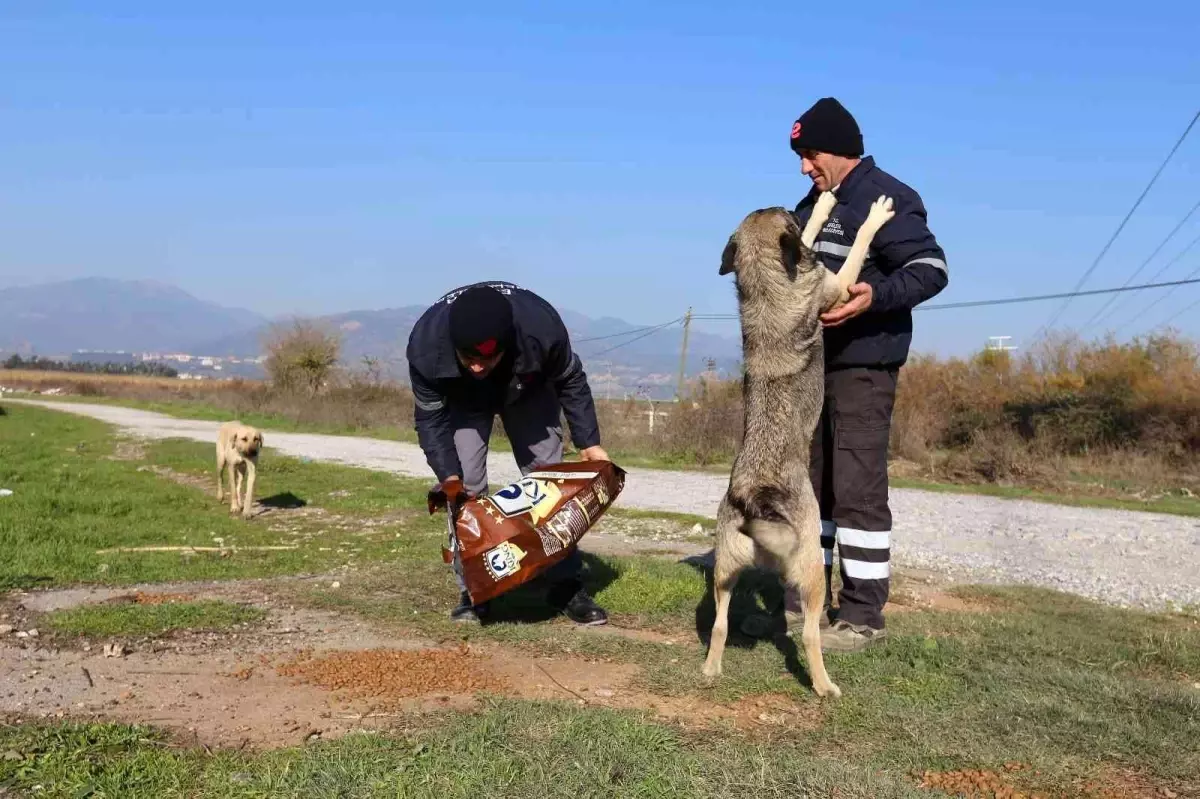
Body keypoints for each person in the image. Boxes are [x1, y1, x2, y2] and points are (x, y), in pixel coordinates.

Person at [787, 97, 949, 652]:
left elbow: (931, 270)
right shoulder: (814, 203)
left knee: (856, 488)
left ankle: (860, 614)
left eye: (810, 154)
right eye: (801, 156)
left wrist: (872, 297)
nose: (805, 167)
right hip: (808, 366)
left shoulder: (890, 199)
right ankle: (803, 599)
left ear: (840, 150)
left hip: (864, 368)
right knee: (808, 485)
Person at [406, 280, 611, 626]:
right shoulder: (426, 346)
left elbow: (571, 382)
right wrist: (448, 475)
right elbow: (430, 420)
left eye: (488, 358)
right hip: (464, 402)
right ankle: (476, 590)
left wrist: (588, 442)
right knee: (464, 487)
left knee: (550, 478)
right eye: (469, 358)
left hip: (527, 390)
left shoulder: (541, 328)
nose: (478, 367)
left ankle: (564, 585)